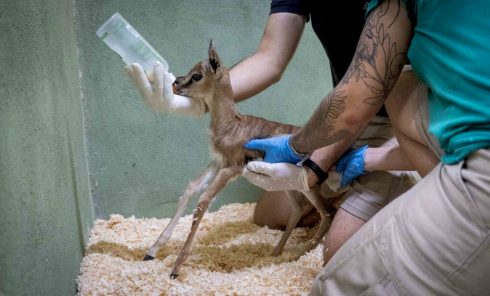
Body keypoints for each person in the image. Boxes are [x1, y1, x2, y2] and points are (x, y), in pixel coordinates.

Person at [126, 0, 417, 265]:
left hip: (402, 113)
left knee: (338, 256)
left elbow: (366, 90)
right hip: (343, 116)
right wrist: (198, 101)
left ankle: (409, 181)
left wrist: (314, 166)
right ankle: (353, 191)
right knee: (269, 215)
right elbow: (270, 58)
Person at [243, 0, 490, 294]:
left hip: (442, 148)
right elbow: (271, 59)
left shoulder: (391, 19)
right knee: (270, 214)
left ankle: (405, 190)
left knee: (338, 273)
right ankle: (359, 192)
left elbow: (357, 102)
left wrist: (298, 149)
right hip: (365, 118)